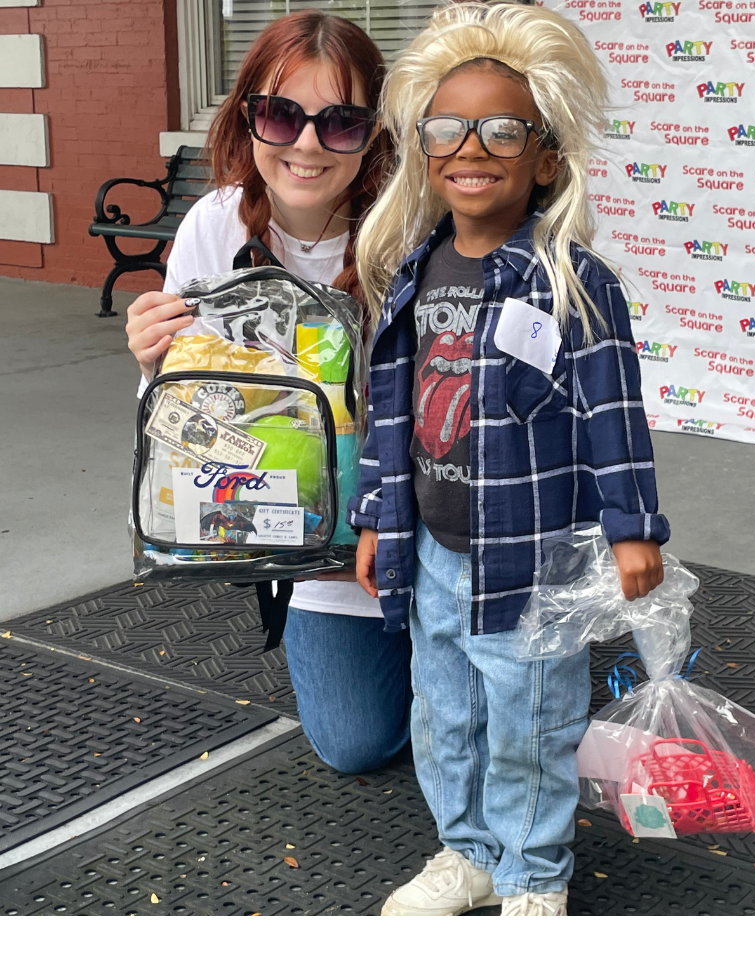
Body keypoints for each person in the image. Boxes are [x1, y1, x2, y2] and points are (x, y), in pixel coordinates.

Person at [350, 2, 670, 917]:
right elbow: (392, 417)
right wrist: (377, 517)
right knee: (442, 714)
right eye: (447, 128)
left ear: (547, 155)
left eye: (502, 127)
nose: (471, 146)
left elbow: (615, 413)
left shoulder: (572, 281)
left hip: (529, 561)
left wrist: (632, 530)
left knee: (531, 720)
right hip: (434, 554)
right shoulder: (413, 271)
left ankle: (534, 875)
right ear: (422, 148)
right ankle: (471, 852)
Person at [124, 11, 412, 774]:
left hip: (426, 534)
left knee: (488, 706)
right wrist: (157, 367)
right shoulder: (214, 229)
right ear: (248, 117)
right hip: (312, 547)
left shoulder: (413, 232)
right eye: (282, 115)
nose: (308, 144)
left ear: (374, 132)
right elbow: (182, 434)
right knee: (356, 745)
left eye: (341, 122)